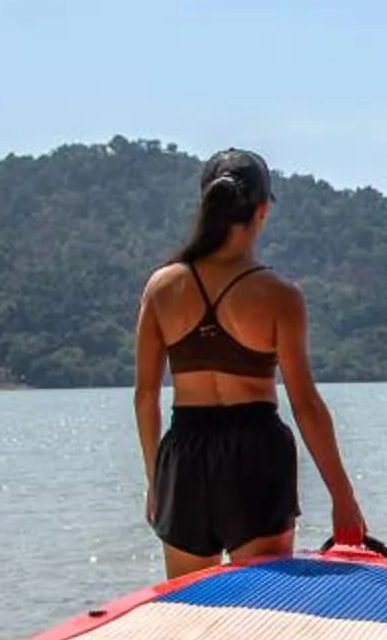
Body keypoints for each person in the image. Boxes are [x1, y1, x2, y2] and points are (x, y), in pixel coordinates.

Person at [133, 147, 367, 577]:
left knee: (190, 613)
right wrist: (343, 497)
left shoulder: (161, 287)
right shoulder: (279, 295)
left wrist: (156, 482)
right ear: (263, 210)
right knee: (262, 613)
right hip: (254, 455)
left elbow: (146, 397)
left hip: (184, 459)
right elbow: (305, 405)